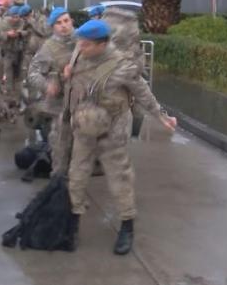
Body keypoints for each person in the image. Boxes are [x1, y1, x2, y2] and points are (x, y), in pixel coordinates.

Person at [64, 20, 177, 255]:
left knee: (119, 177)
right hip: (84, 126)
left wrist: (161, 116)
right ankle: (73, 223)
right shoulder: (79, 53)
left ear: (102, 44)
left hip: (112, 129)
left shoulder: (122, 65)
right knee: (76, 175)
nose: (80, 47)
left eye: (86, 44)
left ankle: (127, 225)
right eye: (80, 42)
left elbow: (142, 91)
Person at [26, 7, 75, 175]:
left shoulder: (83, 42)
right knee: (60, 149)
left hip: (84, 105)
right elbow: (32, 74)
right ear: (53, 27)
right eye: (59, 23)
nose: (64, 26)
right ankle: (59, 185)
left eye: (66, 21)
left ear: (72, 22)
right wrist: (47, 85)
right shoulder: (49, 48)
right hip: (60, 106)